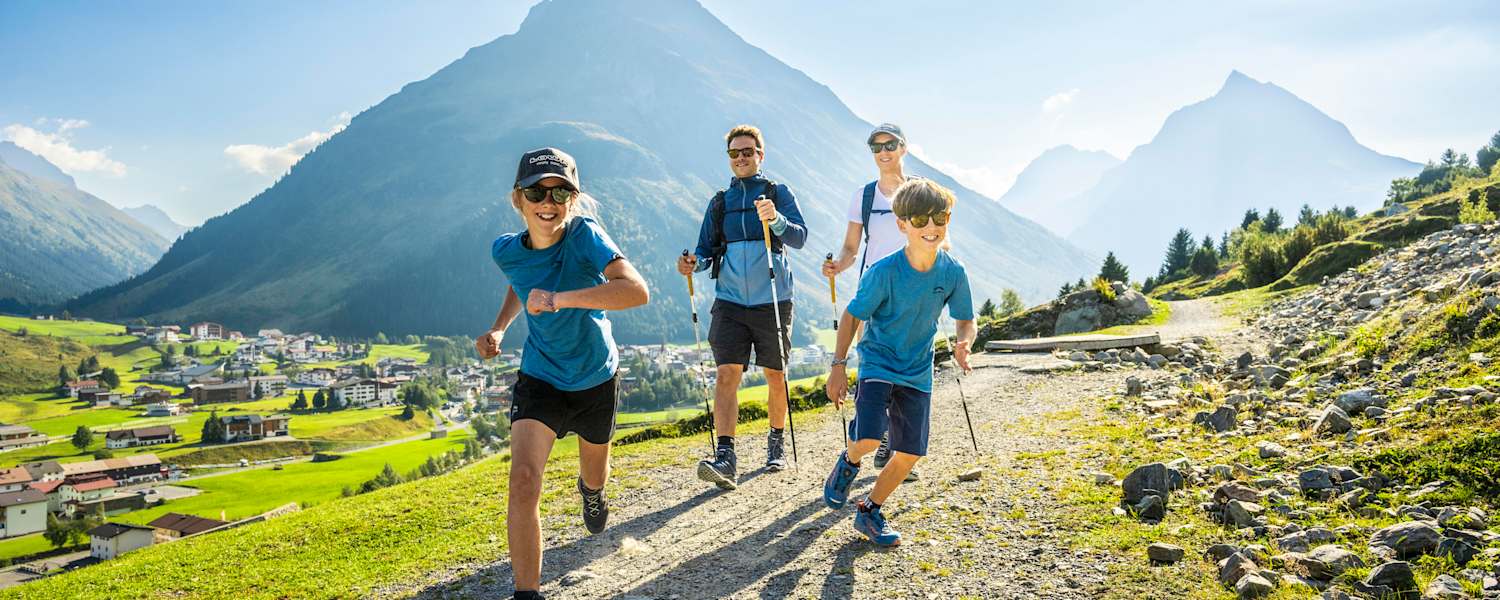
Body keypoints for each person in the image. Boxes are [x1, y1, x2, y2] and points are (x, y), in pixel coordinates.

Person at [475, 147, 650, 600]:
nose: (547, 201)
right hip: (541, 378)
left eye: (560, 191)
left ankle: (591, 492)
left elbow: (636, 291)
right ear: (519, 199)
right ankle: (527, 594)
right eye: (537, 190)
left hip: (595, 375)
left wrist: (559, 298)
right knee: (524, 478)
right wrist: (499, 327)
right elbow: (521, 286)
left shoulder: (586, 236)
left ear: (573, 199)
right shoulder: (505, 252)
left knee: (595, 475)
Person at [820, 178, 975, 547]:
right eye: (920, 220)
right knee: (870, 438)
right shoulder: (884, 272)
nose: (931, 227)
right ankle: (849, 461)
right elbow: (851, 316)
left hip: (917, 370)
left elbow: (966, 318)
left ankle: (869, 511)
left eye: (939, 217)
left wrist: (964, 342)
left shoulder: (953, 272)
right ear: (902, 224)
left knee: (910, 453)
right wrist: (838, 366)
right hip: (878, 362)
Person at [676, 124, 807, 489]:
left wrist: (776, 220)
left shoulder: (777, 193)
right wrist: (693, 264)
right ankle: (726, 456)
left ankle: (776, 443)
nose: (740, 158)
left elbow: (800, 237)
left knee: (775, 375)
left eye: (747, 151)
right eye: (734, 153)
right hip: (730, 301)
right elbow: (704, 251)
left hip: (773, 300)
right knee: (726, 374)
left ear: (760, 155)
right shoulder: (720, 202)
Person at [821, 123, 923, 481]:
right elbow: (852, 247)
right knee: (877, 371)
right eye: (876, 146)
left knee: (907, 371)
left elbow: (935, 237)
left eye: (890, 144)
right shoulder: (863, 198)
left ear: (904, 148)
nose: (883, 151)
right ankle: (881, 443)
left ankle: (890, 448)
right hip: (874, 294)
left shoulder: (919, 193)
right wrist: (839, 266)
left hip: (914, 294)